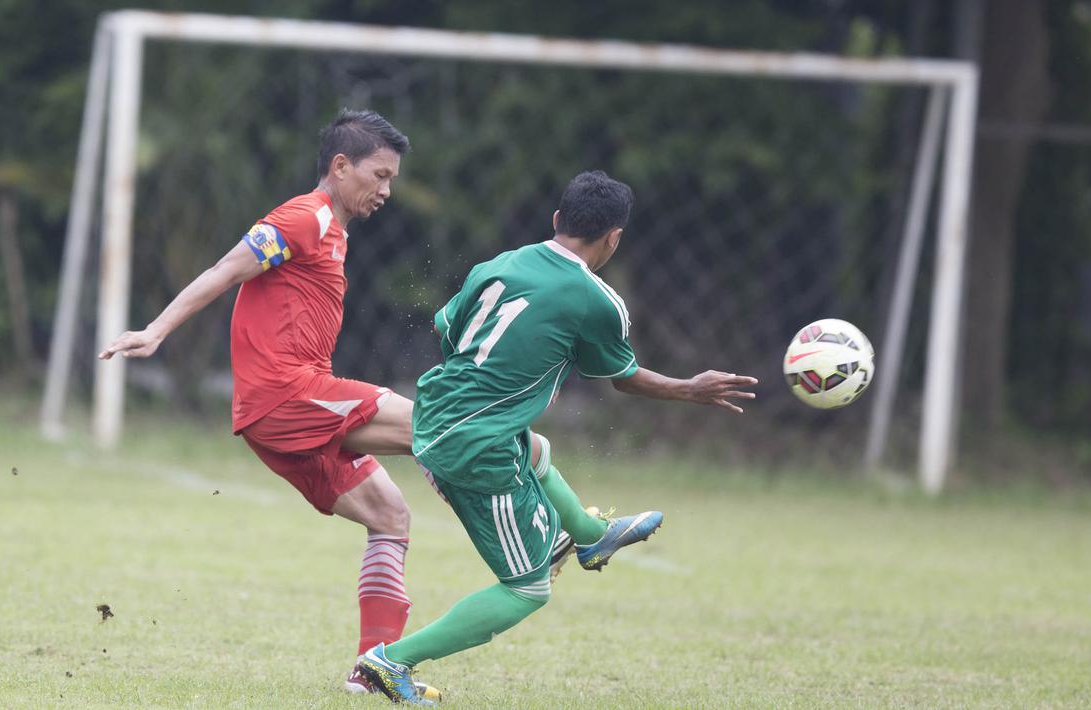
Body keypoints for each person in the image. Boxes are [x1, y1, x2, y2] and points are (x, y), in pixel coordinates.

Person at [357, 170, 759, 705]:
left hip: (435, 413)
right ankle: (388, 662)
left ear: (556, 220)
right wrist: (690, 388)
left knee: (538, 449)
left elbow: (444, 327)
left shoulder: (499, 263)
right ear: (614, 237)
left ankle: (592, 535)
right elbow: (624, 378)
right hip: (475, 447)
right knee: (527, 587)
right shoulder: (596, 300)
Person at [98, 109, 435, 697]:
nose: (386, 190)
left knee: (390, 516)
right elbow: (227, 269)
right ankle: (552, 522)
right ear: (340, 165)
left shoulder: (335, 229)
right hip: (288, 395)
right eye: (379, 175)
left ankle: (373, 671)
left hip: (282, 413)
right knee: (436, 426)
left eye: (391, 179)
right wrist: (155, 330)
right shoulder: (304, 216)